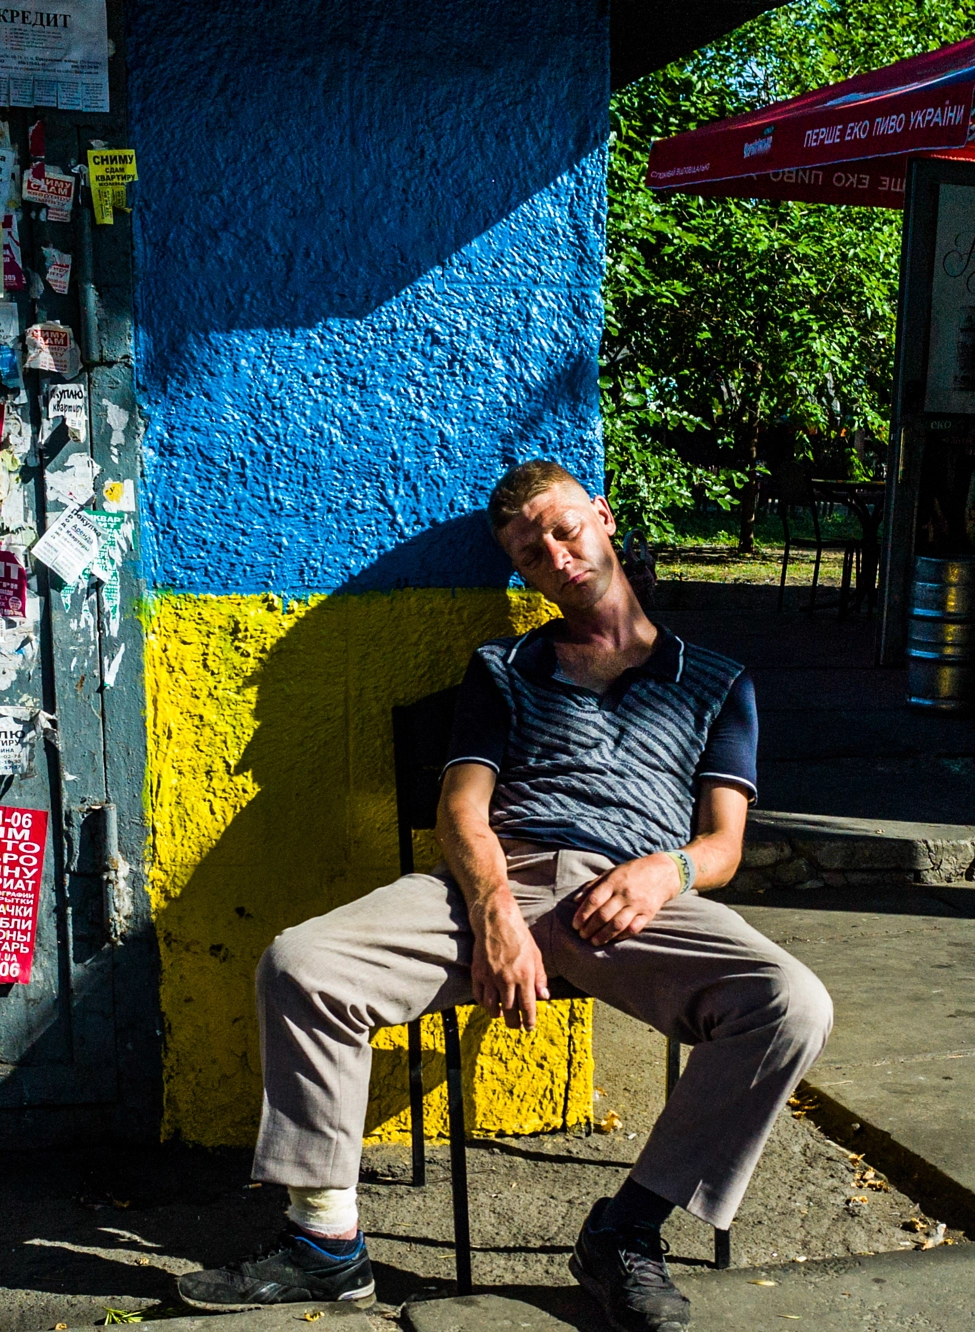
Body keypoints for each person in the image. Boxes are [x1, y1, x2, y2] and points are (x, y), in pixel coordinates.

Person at [176, 460, 833, 1332]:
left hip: (637, 899)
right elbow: (461, 811)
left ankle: (626, 1233)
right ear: (522, 575)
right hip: (499, 878)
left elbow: (722, 846)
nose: (556, 555)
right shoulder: (505, 666)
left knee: (792, 1004)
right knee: (302, 965)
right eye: (531, 553)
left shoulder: (716, 680)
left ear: (601, 517)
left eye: (565, 529)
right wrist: (494, 917)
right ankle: (327, 1248)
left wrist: (663, 871)